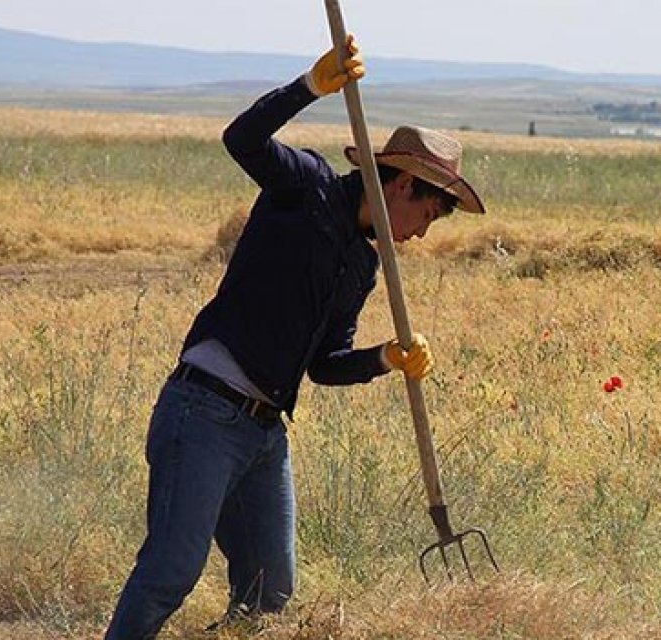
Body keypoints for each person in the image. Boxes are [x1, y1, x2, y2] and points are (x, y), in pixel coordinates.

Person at [104, 35, 486, 639]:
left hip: (264, 434)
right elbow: (241, 140)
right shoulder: (303, 185)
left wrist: (383, 359)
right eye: (430, 216)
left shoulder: (363, 265)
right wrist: (309, 87)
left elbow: (325, 364)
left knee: (268, 592)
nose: (423, 234)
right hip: (203, 410)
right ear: (404, 188)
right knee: (171, 572)